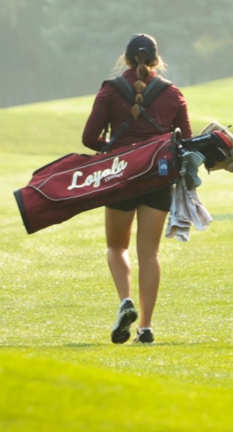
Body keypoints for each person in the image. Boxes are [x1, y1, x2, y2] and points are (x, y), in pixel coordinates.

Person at [80, 34, 192, 344]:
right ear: (157, 60)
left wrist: (114, 148)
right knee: (149, 253)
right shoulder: (173, 94)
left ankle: (125, 301)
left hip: (120, 177)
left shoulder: (110, 91)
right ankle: (146, 328)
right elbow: (185, 140)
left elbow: (89, 138)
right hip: (158, 177)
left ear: (126, 59)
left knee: (117, 247)